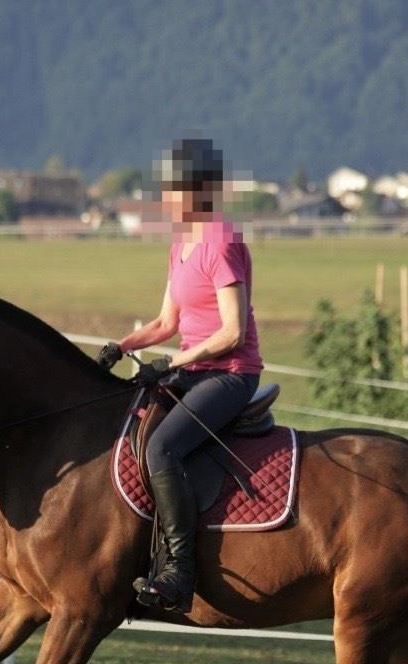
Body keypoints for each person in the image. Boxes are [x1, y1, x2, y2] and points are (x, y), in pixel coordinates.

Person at [97, 138, 263, 613]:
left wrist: (170, 363)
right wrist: (119, 347)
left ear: (199, 191)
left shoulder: (222, 242)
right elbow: (166, 323)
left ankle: (179, 572)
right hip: (195, 370)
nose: (166, 197)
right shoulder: (180, 246)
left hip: (229, 375)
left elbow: (232, 333)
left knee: (162, 447)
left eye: (174, 189)